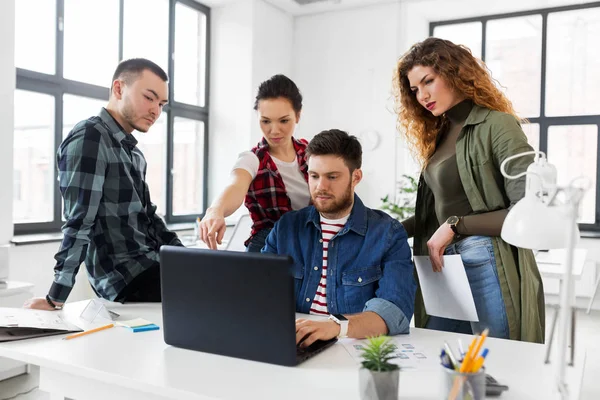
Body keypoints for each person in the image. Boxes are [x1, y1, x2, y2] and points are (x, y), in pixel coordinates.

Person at [392, 37, 545, 343]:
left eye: (428, 82)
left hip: (483, 254)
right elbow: (434, 214)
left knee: (496, 359)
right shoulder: (441, 136)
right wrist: (391, 230)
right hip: (441, 260)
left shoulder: (498, 125)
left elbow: (528, 211)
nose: (422, 95)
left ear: (455, 73)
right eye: (414, 90)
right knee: (440, 354)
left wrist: (457, 226)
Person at [24, 58, 182, 310]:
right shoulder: (91, 137)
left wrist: (188, 259)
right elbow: (79, 221)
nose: (156, 111)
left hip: (152, 265)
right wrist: (56, 297)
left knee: (220, 282)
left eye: (161, 104)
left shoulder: (133, 152)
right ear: (118, 89)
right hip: (126, 278)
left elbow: (149, 218)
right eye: (149, 98)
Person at [263, 129, 416, 346]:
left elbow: (395, 311)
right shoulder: (286, 228)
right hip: (292, 340)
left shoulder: (388, 233)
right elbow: (260, 290)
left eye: (332, 177)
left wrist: (336, 327)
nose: (320, 186)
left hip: (353, 345)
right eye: (314, 176)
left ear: (356, 178)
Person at [199, 74, 311, 252]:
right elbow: (236, 185)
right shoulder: (252, 159)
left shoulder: (312, 154)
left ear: (297, 116)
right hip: (268, 245)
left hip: (311, 242)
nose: (274, 130)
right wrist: (215, 210)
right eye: (265, 121)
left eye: (283, 120)